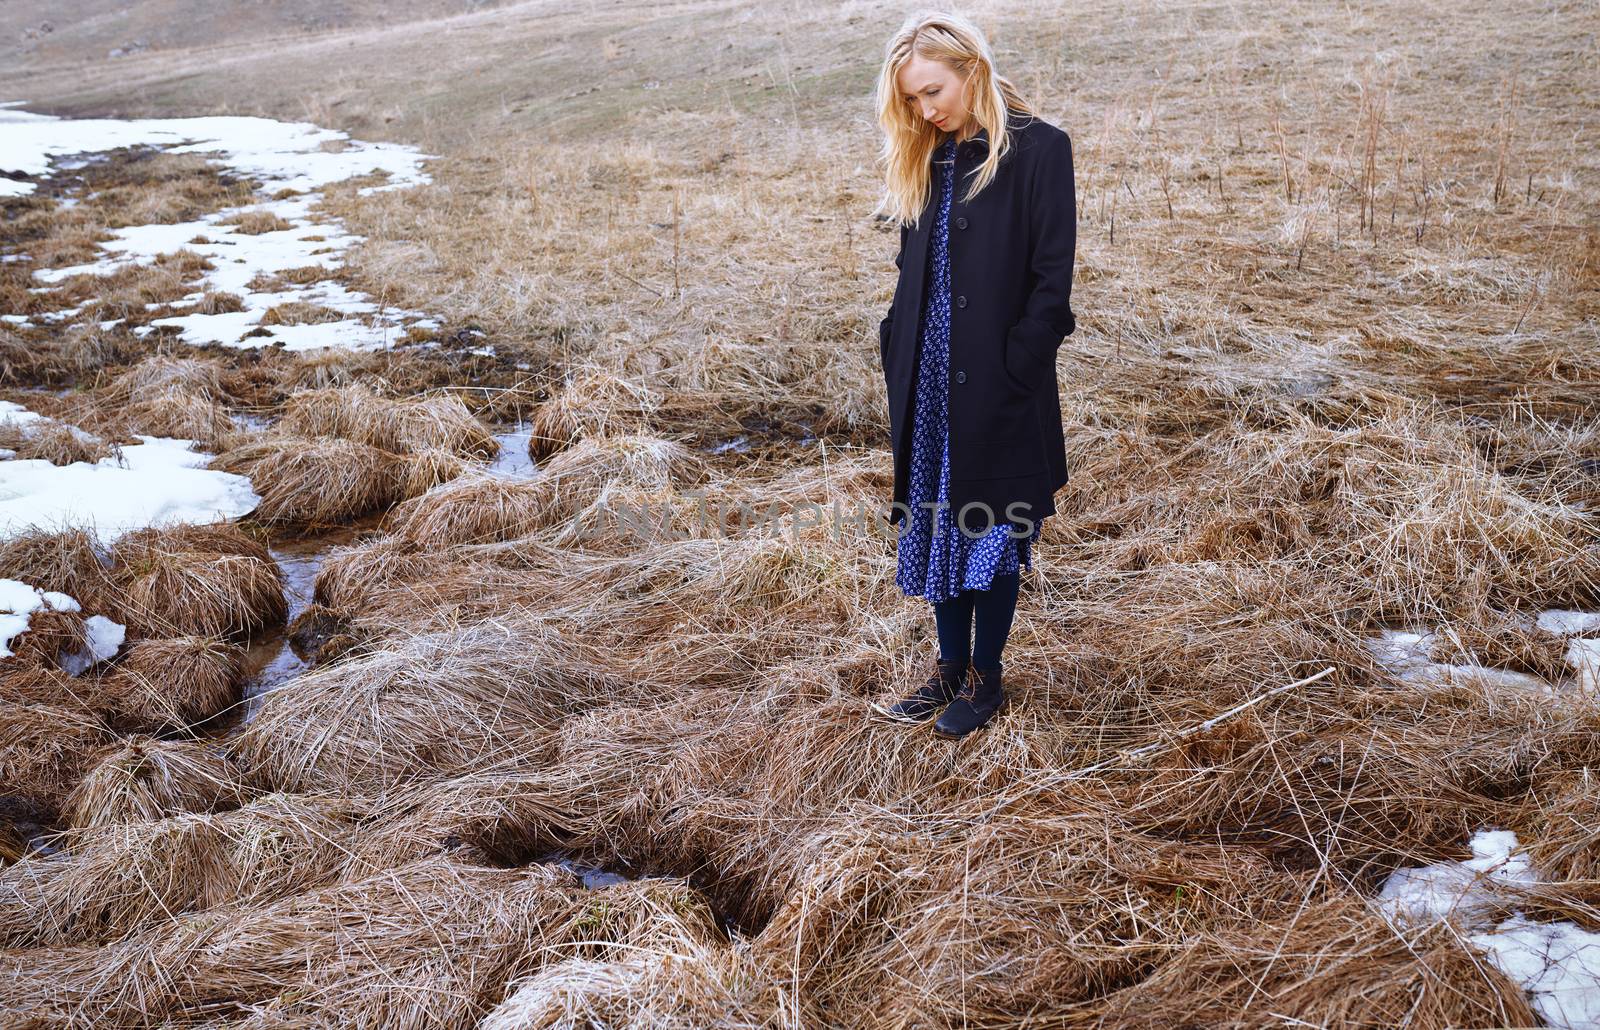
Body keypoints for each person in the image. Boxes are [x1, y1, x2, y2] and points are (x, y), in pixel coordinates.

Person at [870, 12, 1077, 738]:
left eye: (933, 91)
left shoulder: (1042, 151)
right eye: (913, 101)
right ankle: (947, 671)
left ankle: (987, 678)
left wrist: (1020, 364)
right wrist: (896, 339)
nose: (927, 111)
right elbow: (911, 267)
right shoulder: (925, 156)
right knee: (936, 519)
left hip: (1000, 379)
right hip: (926, 375)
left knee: (991, 525)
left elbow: (1054, 284)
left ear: (972, 68)